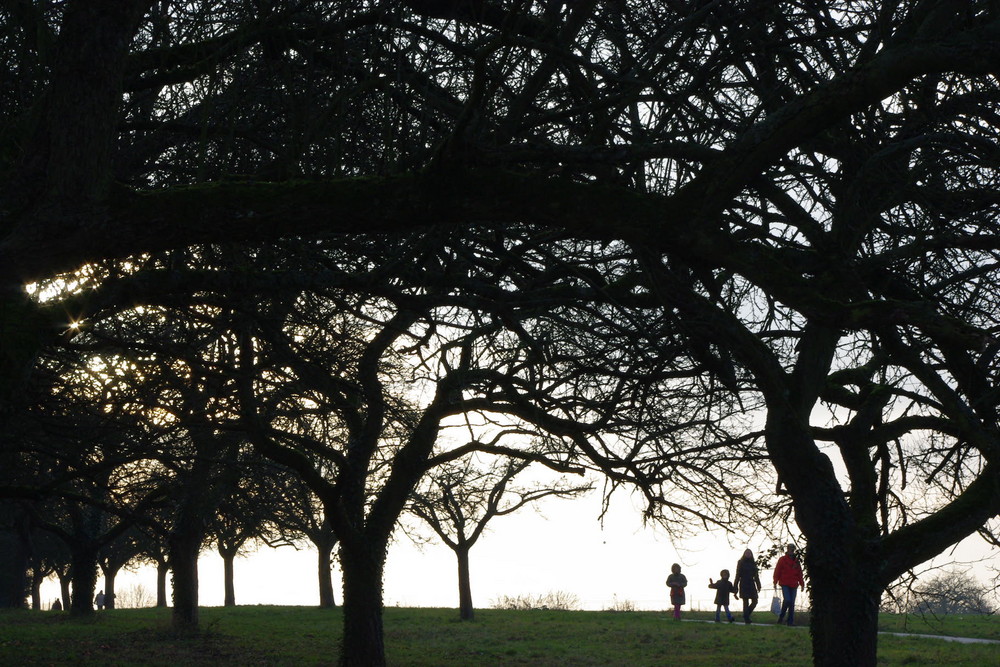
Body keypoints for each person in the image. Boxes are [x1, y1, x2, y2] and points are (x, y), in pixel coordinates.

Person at [773, 544, 805, 626]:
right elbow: (777, 571)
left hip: (794, 584)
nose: (791, 550)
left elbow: (799, 573)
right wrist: (775, 581)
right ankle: (782, 616)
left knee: (791, 603)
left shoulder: (796, 561)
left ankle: (790, 621)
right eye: (790, 549)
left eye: (792, 549)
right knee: (787, 600)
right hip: (785, 583)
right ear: (787, 549)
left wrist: (802, 583)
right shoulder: (782, 560)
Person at [732, 548, 761, 624]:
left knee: (755, 601)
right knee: (745, 602)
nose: (748, 554)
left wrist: (758, 585)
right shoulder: (740, 562)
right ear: (744, 554)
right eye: (746, 553)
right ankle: (746, 619)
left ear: (751, 554)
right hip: (744, 583)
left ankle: (746, 615)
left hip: (751, 583)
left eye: (749, 553)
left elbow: (756, 575)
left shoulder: (753, 563)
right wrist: (735, 587)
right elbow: (737, 575)